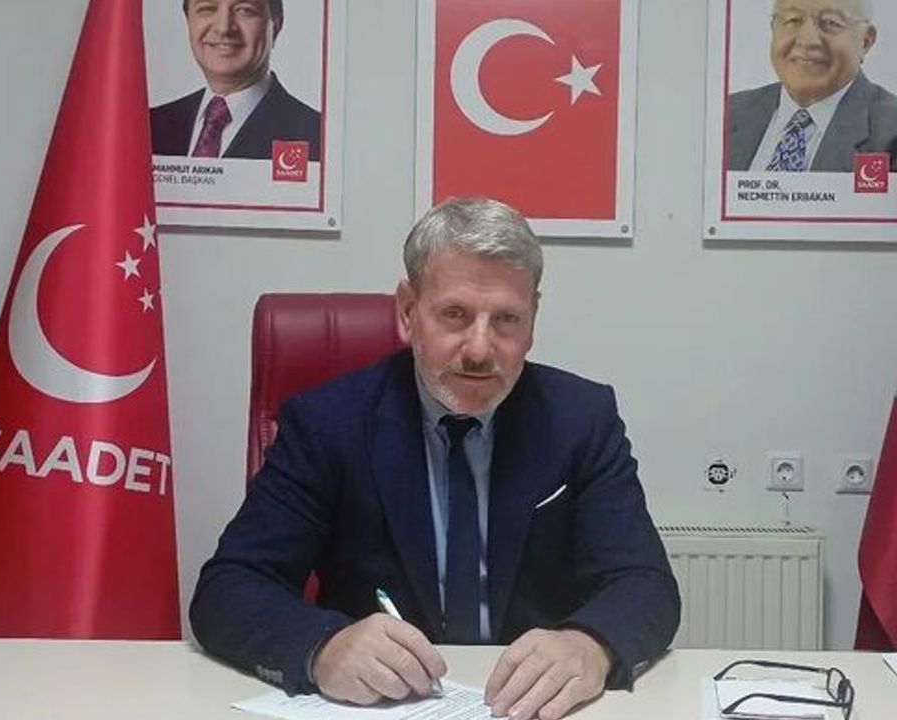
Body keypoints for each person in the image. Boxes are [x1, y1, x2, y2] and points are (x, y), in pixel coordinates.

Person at [190, 197, 679, 720]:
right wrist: (322, 646)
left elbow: (645, 583)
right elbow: (228, 588)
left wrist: (590, 645)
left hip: (532, 707)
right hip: (383, 706)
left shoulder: (581, 418)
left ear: (533, 319)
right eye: (455, 314)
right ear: (408, 311)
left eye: (506, 319)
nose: (479, 349)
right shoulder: (329, 424)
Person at [727, 0, 897, 172]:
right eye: (793, 20)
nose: (807, 40)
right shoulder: (727, 113)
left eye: (830, 22)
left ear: (865, 41)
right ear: (773, 28)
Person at [150, 0, 322, 161]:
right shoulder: (150, 125)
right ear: (188, 22)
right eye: (207, 9)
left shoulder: (316, 135)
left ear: (275, 27)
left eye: (245, 10)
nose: (224, 28)